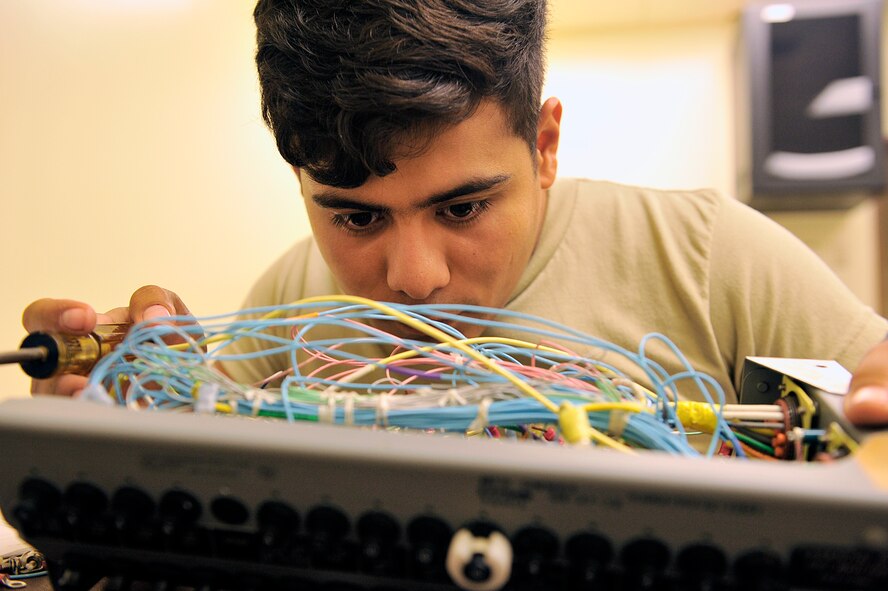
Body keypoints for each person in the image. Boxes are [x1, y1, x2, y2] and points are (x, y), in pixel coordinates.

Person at [21, 0, 888, 425]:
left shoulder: (705, 254)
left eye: (463, 206)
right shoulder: (289, 294)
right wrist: (116, 430)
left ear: (544, 146)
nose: (413, 279)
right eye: (355, 218)